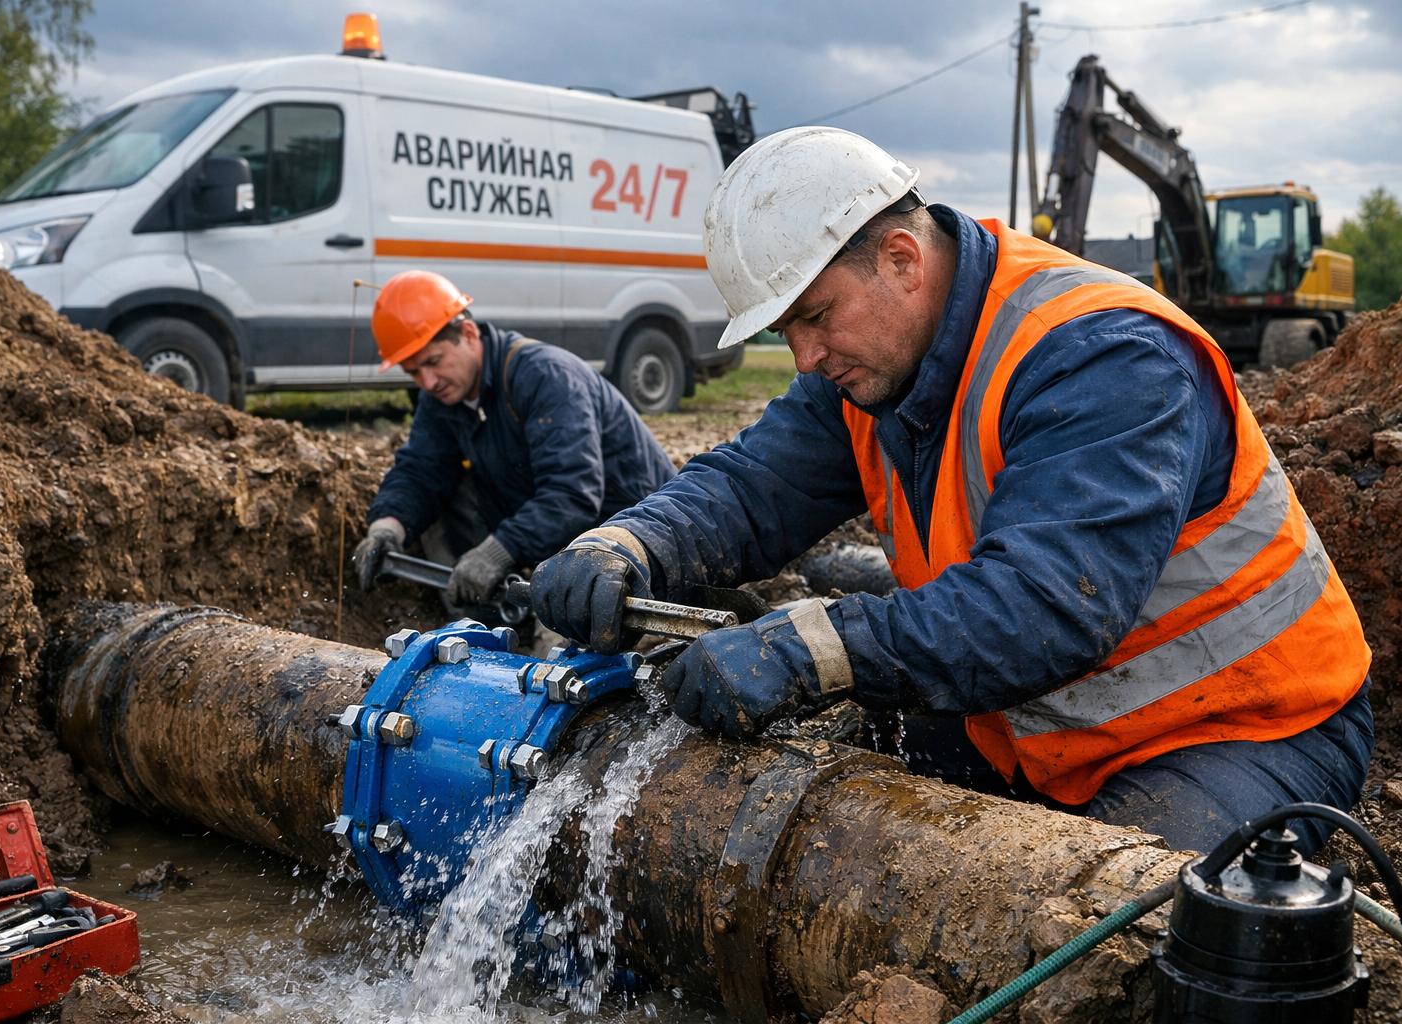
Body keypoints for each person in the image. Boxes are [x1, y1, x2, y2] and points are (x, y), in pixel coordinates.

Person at [530, 127, 1373, 853]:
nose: (807, 358)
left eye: (816, 317)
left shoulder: (1104, 354)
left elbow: (1047, 607)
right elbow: (754, 483)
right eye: (789, 332)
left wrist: (811, 649)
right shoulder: (870, 364)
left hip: (1233, 729)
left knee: (1103, 944)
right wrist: (631, 543)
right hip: (1033, 720)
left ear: (902, 258)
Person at [352, 270, 675, 612]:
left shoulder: (545, 376)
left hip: (638, 541)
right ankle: (485, 621)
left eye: (433, 362)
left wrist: (499, 551)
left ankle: (545, 625)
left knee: (573, 655)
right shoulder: (443, 397)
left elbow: (571, 495)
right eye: (413, 372)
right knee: (445, 493)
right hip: (564, 535)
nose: (428, 382)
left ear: (468, 332)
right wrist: (387, 527)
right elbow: (420, 470)